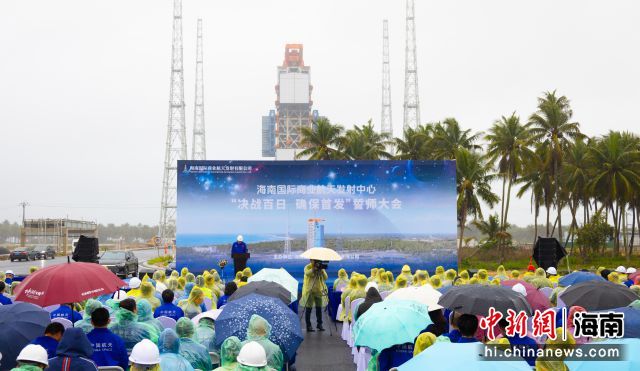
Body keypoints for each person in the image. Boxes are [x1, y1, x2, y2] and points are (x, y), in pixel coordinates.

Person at [300, 259, 328, 332]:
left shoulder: (320, 268)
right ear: (311, 260)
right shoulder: (308, 267)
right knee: (309, 309)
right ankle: (308, 326)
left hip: (318, 291)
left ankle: (319, 324)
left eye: (317, 261)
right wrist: (314, 269)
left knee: (319, 308)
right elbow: (307, 273)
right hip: (309, 291)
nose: (316, 262)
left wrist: (321, 271)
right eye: (314, 261)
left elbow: (325, 278)